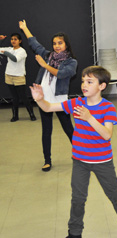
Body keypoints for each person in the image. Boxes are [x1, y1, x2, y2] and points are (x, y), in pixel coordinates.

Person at [30, 66, 117, 238]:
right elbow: (48, 108)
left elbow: (107, 135)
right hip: (80, 161)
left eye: (90, 82)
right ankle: (74, 233)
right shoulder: (76, 103)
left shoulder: (108, 108)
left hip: (102, 161)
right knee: (78, 198)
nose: (84, 85)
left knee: (114, 194)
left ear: (102, 86)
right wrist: (40, 100)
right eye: (83, 81)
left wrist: (89, 117)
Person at [19, 20, 75, 172]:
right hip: (44, 100)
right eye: (54, 43)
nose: (57, 46)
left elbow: (62, 74)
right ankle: (47, 160)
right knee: (46, 131)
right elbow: (34, 43)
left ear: (66, 45)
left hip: (60, 101)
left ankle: (81, 155)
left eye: (60, 43)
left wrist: (45, 65)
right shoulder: (48, 55)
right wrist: (25, 28)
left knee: (69, 130)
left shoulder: (71, 62)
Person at [0, 33, 36, 122]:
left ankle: (31, 114)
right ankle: (15, 116)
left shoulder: (22, 51)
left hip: (19, 76)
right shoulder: (9, 49)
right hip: (8, 75)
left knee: (23, 97)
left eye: (15, 39)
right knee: (14, 97)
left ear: (20, 41)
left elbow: (15, 59)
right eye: (12, 39)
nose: (13, 41)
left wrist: (6, 53)